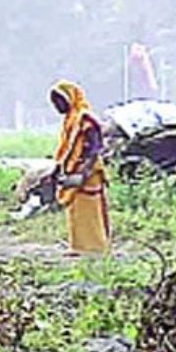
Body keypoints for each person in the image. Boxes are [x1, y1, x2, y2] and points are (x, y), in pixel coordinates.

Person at [49, 80, 110, 255]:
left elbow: (95, 147)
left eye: (59, 101)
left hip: (88, 172)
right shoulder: (70, 120)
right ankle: (79, 246)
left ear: (70, 98)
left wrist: (85, 171)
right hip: (73, 170)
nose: (57, 106)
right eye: (54, 103)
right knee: (76, 211)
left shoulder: (85, 119)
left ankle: (96, 247)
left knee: (90, 210)